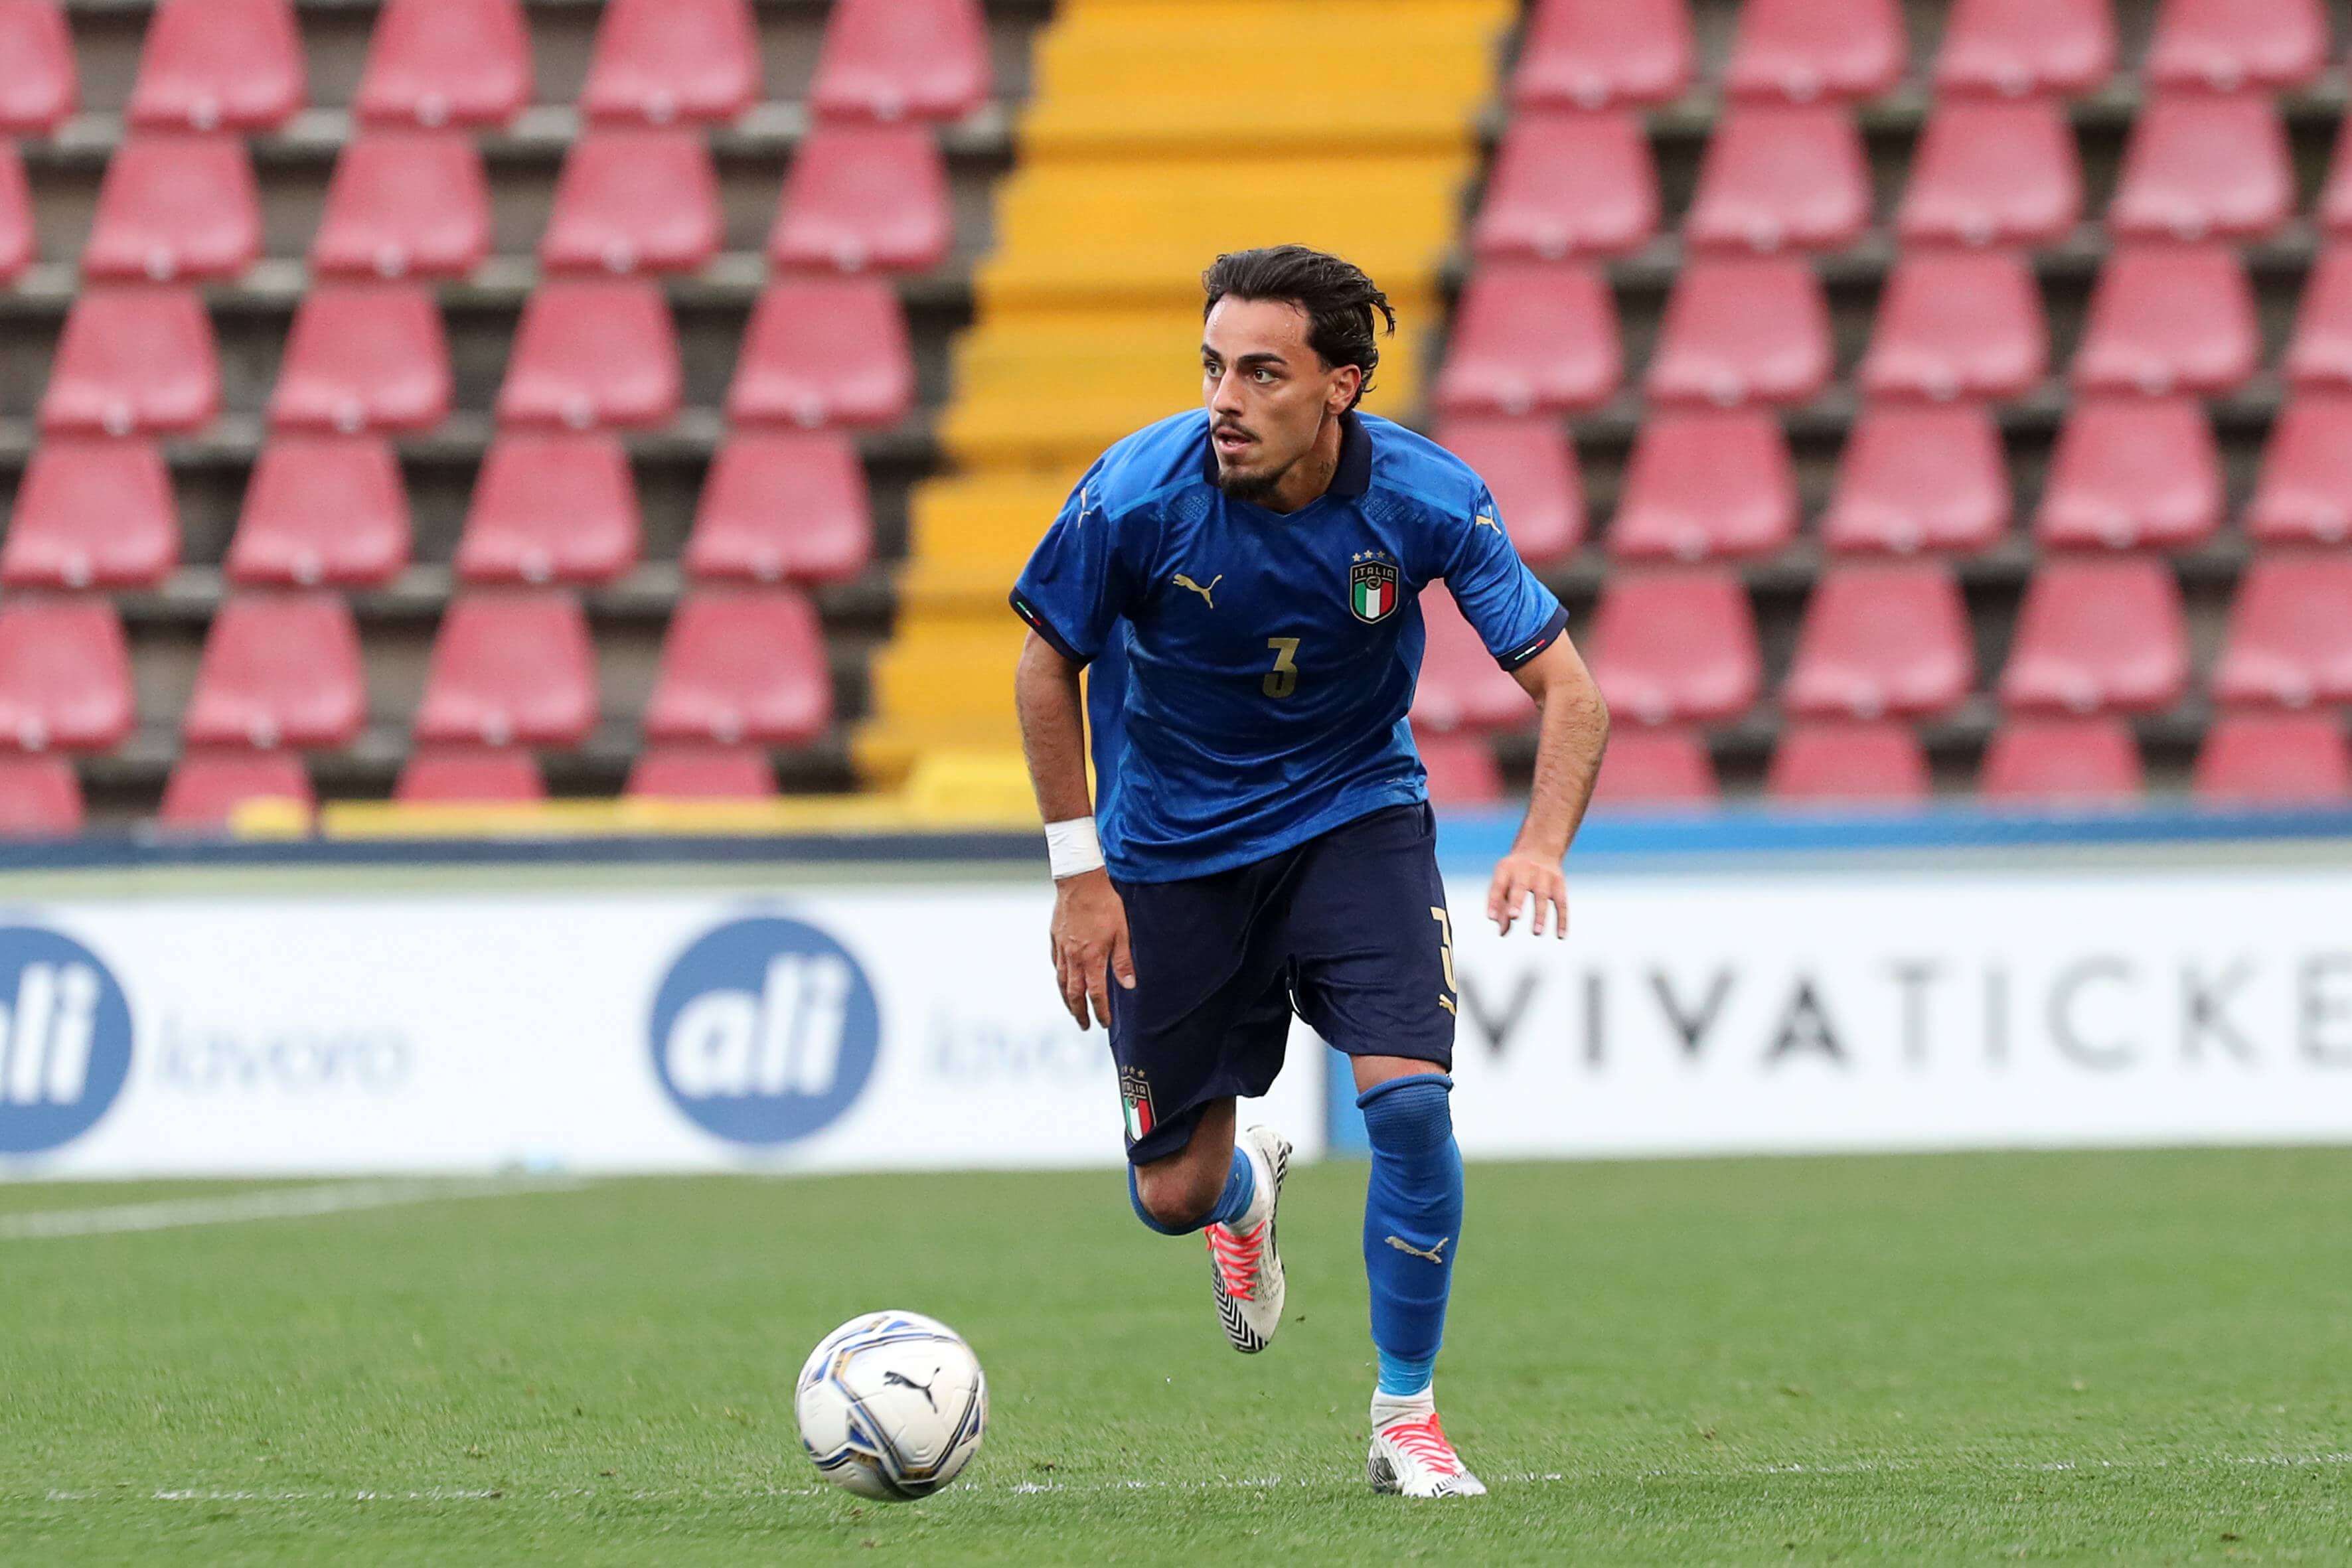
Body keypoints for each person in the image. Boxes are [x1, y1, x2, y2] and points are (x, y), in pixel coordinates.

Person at [1008, 244, 1610, 1498]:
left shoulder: (1429, 500)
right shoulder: (1135, 495)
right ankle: (1243, 1191)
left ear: (1340, 386)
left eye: (1261, 372)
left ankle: (1408, 1417)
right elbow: (1041, 661)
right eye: (1213, 366)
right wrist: (1081, 873)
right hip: (1171, 850)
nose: (1224, 398)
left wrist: (1541, 842)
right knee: (1169, 1192)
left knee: (1407, 1104)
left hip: (1354, 818)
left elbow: (1569, 689)